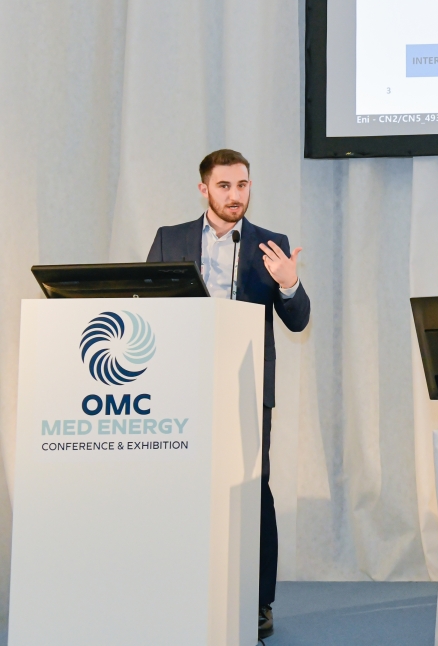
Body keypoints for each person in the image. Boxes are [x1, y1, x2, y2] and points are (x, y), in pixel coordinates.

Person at [146, 149, 310, 639]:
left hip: (247, 386)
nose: (235, 195)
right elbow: (146, 305)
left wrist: (290, 285)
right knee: (183, 488)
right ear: (204, 189)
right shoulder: (170, 239)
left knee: (253, 492)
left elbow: (298, 320)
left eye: (242, 185)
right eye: (224, 186)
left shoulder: (270, 245)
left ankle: (257, 601)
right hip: (183, 385)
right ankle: (183, 590)